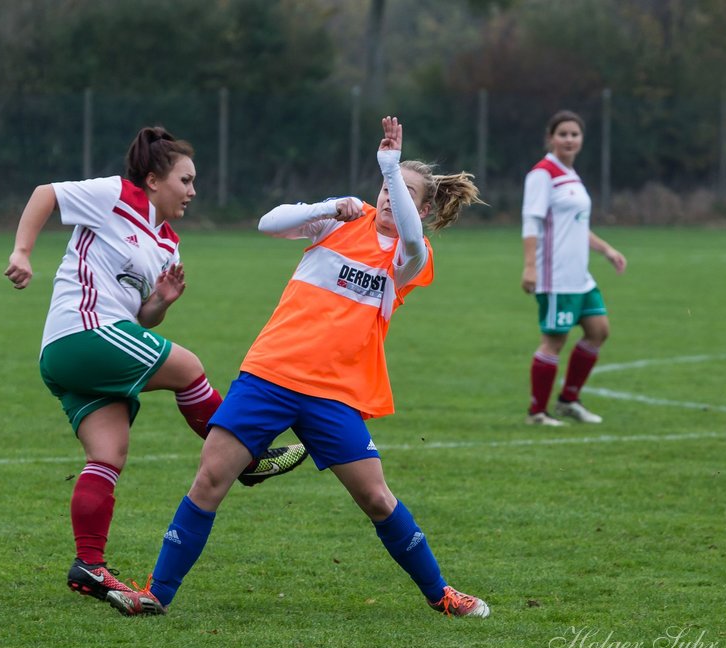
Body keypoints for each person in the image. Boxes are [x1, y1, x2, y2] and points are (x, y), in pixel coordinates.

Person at [104, 116, 491, 619]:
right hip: (271, 373)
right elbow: (269, 223)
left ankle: (442, 594)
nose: (390, 197)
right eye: (385, 188)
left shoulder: (409, 258)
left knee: (376, 498)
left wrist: (393, 166)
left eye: (403, 193)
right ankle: (156, 594)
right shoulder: (342, 222)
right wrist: (330, 204)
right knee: (211, 478)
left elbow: (415, 241)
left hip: (335, 393)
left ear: (421, 208)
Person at [3, 126, 308, 614]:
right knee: (189, 367)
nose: (192, 191)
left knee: (109, 454)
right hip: (81, 335)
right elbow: (46, 195)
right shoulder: (113, 195)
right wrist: (22, 252)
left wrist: (160, 302)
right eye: (185, 180)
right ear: (152, 179)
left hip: (87, 353)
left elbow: (143, 320)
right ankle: (247, 458)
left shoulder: (168, 243)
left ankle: (88, 563)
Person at [520, 109, 627, 426]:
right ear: (550, 138)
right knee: (554, 341)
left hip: (580, 276)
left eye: (574, 134)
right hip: (556, 276)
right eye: (563, 134)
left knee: (599, 331)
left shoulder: (571, 175)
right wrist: (530, 267)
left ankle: (568, 401)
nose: (569, 139)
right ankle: (537, 412)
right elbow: (531, 222)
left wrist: (606, 249)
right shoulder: (542, 174)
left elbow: (577, 226)